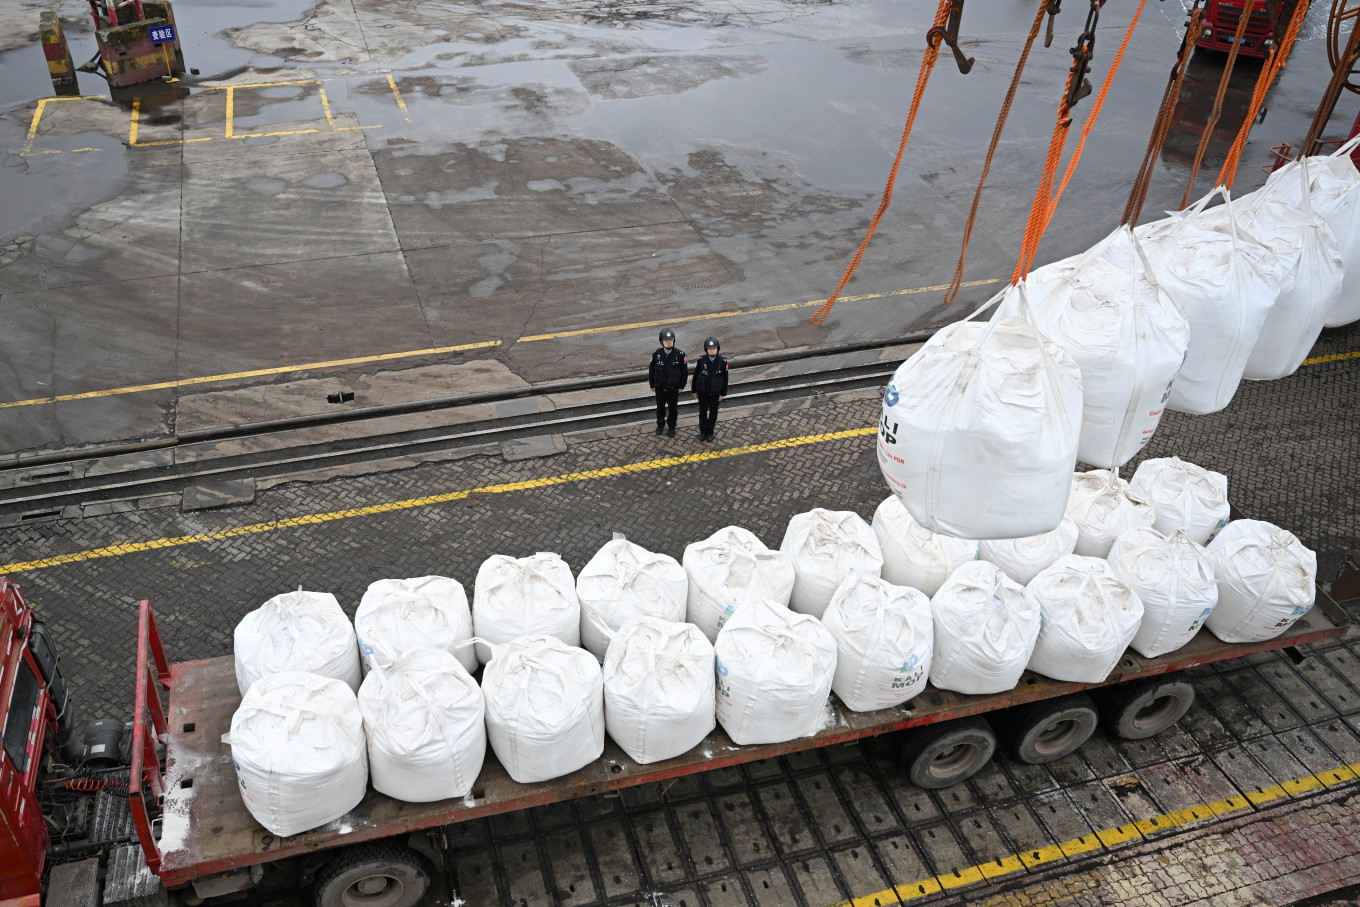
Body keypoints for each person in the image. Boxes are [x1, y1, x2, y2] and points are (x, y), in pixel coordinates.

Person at [648, 328, 687, 437]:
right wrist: (652, 384)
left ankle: (671, 427)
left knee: (673, 409)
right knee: (660, 408)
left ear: (674, 340)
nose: (669, 342)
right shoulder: (657, 354)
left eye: (671, 339)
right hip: (660, 387)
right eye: (666, 340)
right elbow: (651, 370)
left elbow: (684, 372)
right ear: (661, 341)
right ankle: (660, 425)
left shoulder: (680, 354)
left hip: (673, 388)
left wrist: (681, 386)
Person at [691, 336, 728, 442]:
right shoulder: (701, 360)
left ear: (718, 349)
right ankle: (703, 432)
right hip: (702, 393)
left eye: (714, 348)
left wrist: (723, 393)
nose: (712, 350)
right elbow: (695, 376)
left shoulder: (723, 361)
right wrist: (694, 390)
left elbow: (725, 378)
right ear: (706, 349)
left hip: (715, 393)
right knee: (702, 413)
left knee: (713, 414)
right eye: (710, 348)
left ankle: (710, 432)